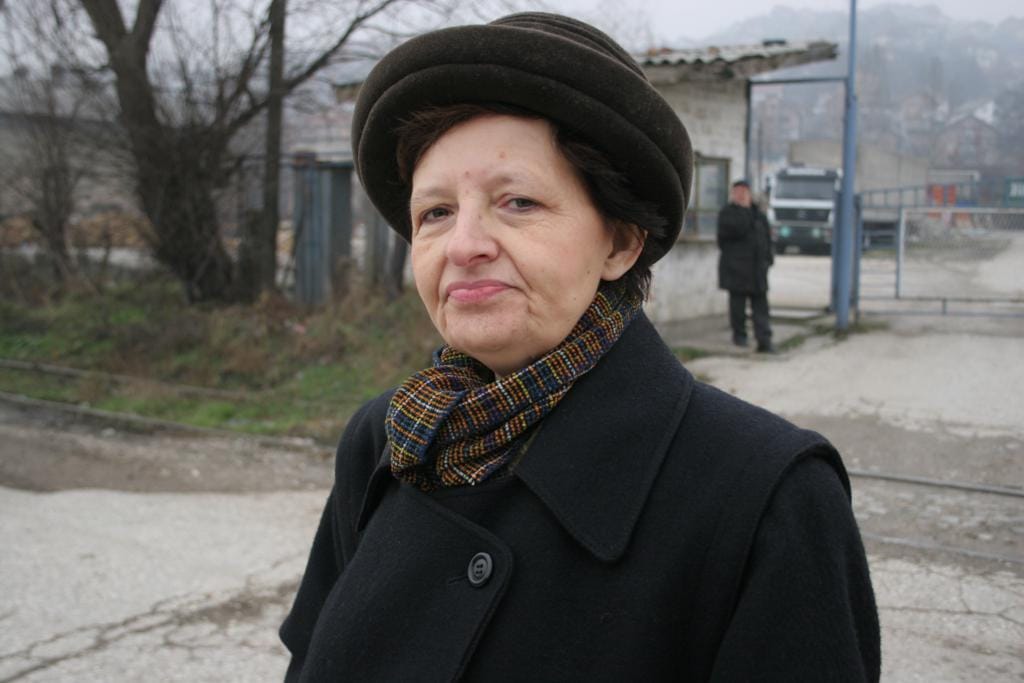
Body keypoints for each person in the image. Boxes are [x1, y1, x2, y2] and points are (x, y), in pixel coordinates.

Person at [281, 12, 879, 682]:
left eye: (518, 202)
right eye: (436, 213)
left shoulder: (769, 499)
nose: (463, 245)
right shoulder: (386, 440)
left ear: (619, 242)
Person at [717, 179, 775, 352]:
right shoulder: (727, 213)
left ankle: (764, 340)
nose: (741, 195)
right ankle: (740, 336)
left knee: (761, 307)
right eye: (738, 192)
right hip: (736, 269)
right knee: (738, 307)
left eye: (744, 191)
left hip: (757, 270)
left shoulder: (759, 215)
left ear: (750, 193)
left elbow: (767, 239)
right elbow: (733, 232)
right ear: (732, 194)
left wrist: (768, 259)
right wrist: (744, 210)